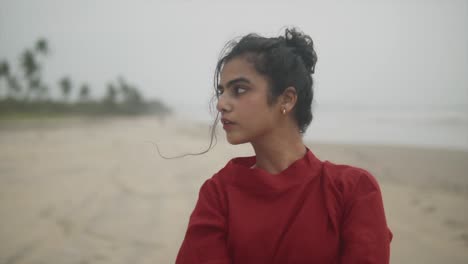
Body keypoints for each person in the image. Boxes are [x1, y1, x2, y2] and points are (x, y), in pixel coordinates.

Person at [175, 27, 392, 264]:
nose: (221, 104)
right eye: (221, 91)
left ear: (287, 99)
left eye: (239, 89)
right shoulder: (219, 193)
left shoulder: (353, 190)